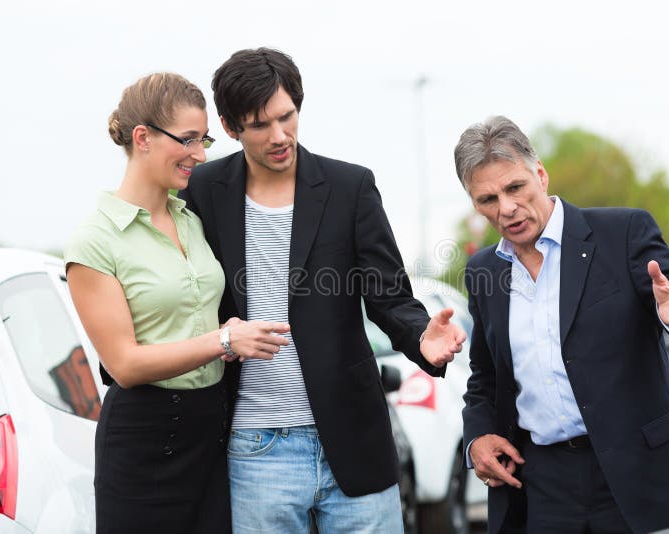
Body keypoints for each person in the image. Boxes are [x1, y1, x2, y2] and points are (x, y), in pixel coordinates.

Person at [178, 47, 467, 533]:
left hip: (352, 439)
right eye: (259, 125)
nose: (279, 136)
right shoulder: (202, 190)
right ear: (229, 127)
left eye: (286, 117)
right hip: (253, 447)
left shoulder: (349, 187)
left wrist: (422, 339)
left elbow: (389, 295)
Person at [455, 116, 669, 533]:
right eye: (487, 199)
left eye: (514, 188)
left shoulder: (623, 232)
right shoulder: (482, 271)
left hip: (641, 474)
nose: (505, 208)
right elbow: (485, 377)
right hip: (542, 485)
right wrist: (478, 438)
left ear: (540, 175)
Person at [65, 72, 291, 534]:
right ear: (143, 138)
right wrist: (224, 339)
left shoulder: (192, 219)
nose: (201, 155)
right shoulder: (95, 240)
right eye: (187, 140)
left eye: (203, 139)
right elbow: (124, 364)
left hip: (210, 434)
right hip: (144, 441)